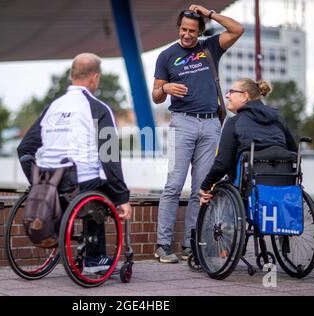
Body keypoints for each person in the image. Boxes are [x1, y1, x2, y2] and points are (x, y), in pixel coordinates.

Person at [17, 53, 132, 272]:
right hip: (79, 184)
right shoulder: (98, 108)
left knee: (92, 184)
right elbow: (109, 157)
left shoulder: (53, 107)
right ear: (95, 78)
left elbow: (24, 149)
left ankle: (64, 230)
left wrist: (36, 183)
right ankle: (95, 258)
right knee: (103, 190)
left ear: (72, 75)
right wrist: (122, 197)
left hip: (49, 183)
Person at [152, 4, 244, 263]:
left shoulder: (210, 47)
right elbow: (156, 95)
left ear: (199, 30)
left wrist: (209, 13)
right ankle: (163, 245)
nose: (187, 34)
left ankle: (191, 244)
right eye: (183, 29)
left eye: (192, 30)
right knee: (173, 185)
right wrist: (166, 87)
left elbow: (238, 29)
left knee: (201, 189)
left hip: (212, 124)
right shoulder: (167, 56)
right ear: (178, 29)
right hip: (182, 123)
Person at [199, 78, 298, 204]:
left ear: (245, 96)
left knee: (220, 192)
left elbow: (223, 163)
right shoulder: (278, 118)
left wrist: (206, 186)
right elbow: (293, 151)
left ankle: (225, 224)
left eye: (231, 91)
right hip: (282, 184)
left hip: (248, 188)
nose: (227, 95)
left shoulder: (234, 122)